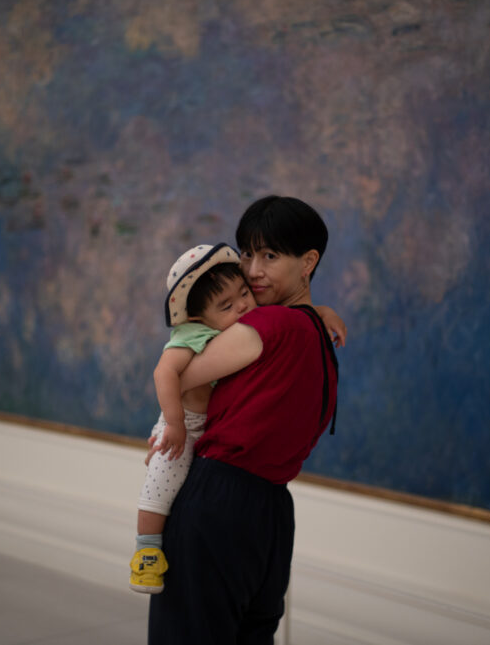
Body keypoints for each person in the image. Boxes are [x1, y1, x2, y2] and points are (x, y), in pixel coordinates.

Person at [148, 195, 341, 644]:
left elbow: (178, 378)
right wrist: (322, 310)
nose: (252, 270)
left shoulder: (266, 326)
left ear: (308, 262)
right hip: (273, 512)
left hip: (219, 500)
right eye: (248, 253)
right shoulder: (319, 333)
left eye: (270, 256)